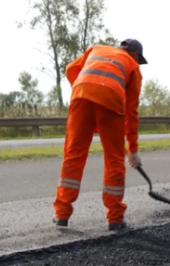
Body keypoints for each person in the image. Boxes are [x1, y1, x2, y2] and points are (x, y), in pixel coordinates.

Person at [53, 39, 145, 232]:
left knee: (73, 156)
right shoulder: (133, 67)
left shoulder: (96, 48)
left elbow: (71, 68)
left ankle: (61, 213)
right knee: (114, 160)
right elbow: (132, 112)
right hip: (111, 100)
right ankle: (115, 218)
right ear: (135, 54)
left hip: (81, 95)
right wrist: (133, 149)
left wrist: (84, 91)